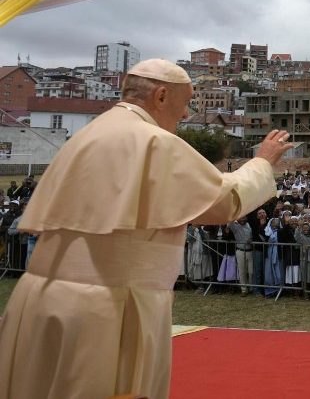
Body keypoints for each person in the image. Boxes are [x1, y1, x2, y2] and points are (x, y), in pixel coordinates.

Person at [0, 59, 294, 399]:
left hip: (42, 298)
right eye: (186, 104)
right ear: (162, 95)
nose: (186, 116)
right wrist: (262, 162)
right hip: (109, 306)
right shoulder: (151, 140)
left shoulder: (88, 134)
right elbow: (222, 202)